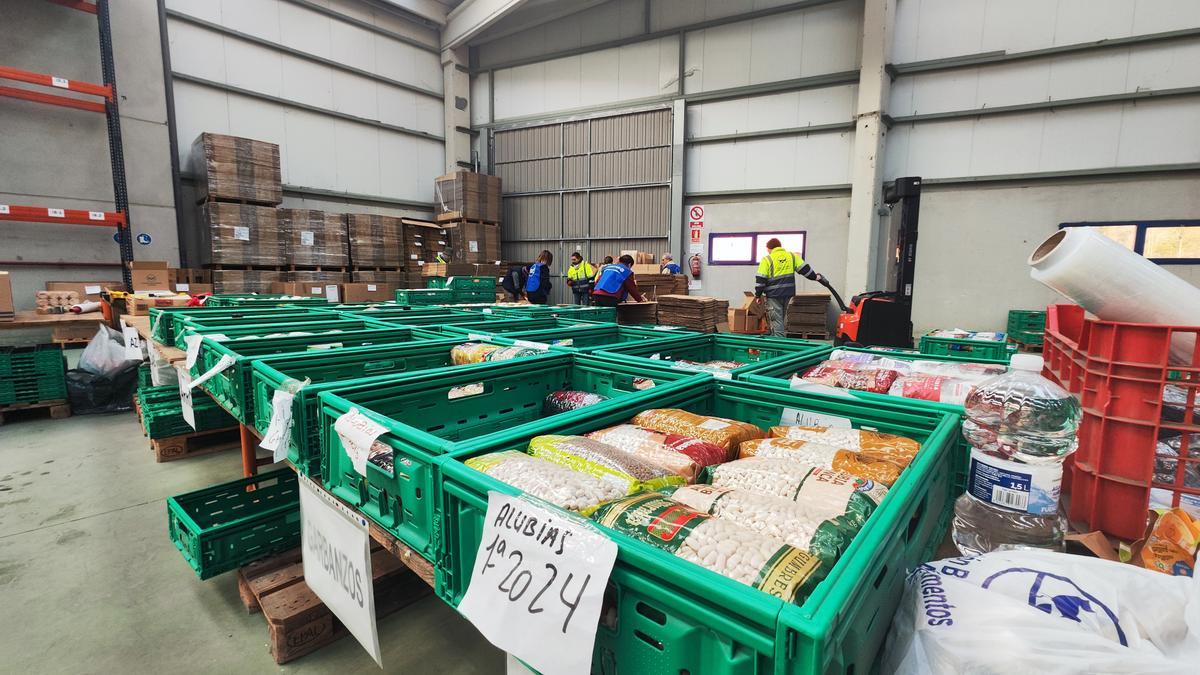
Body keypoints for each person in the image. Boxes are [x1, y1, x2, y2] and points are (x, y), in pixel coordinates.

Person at [754, 237, 824, 338]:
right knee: (781, 318)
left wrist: (757, 296)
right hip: (788, 293)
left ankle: (779, 346)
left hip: (774, 295)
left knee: (776, 320)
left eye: (767, 250)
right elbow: (805, 269)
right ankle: (776, 341)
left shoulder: (767, 259)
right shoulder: (792, 256)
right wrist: (816, 277)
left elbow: (761, 280)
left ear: (769, 248)